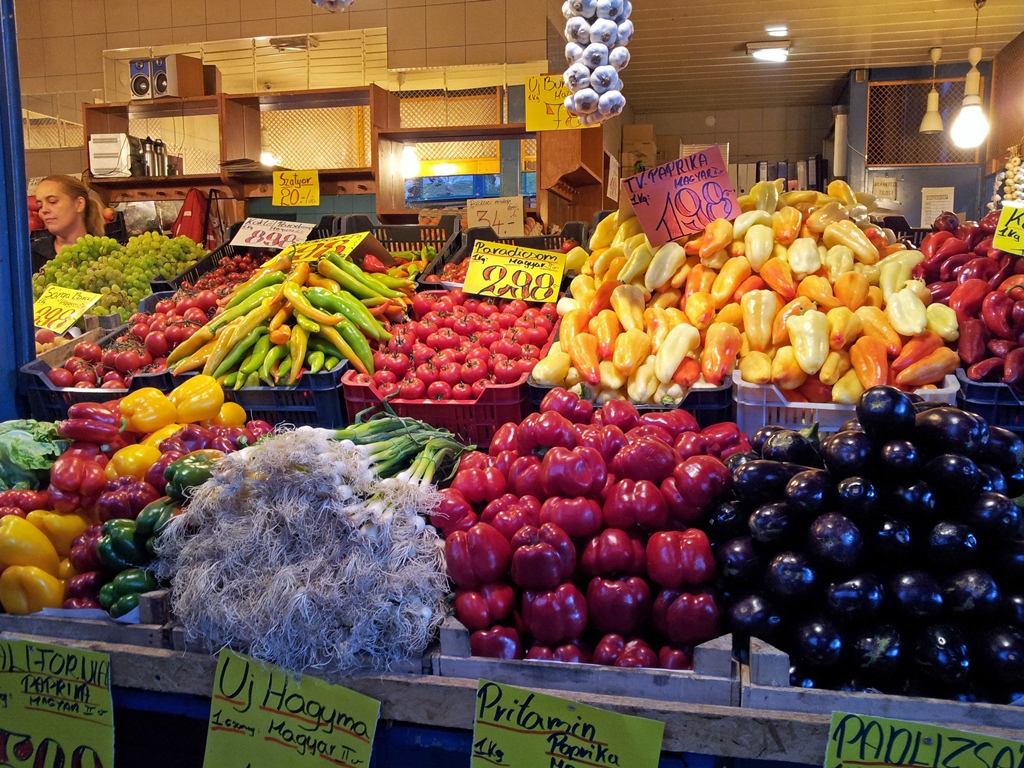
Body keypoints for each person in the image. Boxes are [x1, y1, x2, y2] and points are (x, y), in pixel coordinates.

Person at [31, 175, 106, 272]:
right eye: (40, 206)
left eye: (52, 202)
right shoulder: (31, 255)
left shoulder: (105, 254)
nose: (44, 210)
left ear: (79, 204)